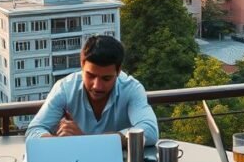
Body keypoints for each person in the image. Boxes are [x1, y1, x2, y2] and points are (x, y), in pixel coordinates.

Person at [26, 35, 158, 146]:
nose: (97, 86)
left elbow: (150, 132)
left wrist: (85, 140)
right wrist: (59, 142)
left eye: (106, 78)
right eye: (91, 75)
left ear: (118, 71)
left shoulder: (131, 89)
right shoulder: (65, 88)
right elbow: (33, 132)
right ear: (82, 65)